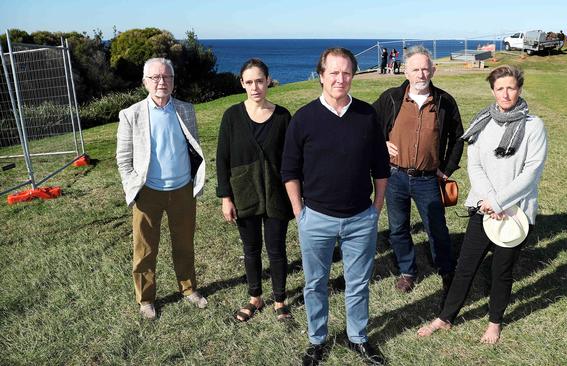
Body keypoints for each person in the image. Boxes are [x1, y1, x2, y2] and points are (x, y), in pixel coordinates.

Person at [417, 65, 548, 344]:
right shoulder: (482, 122)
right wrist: (489, 200)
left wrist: (500, 201)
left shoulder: (533, 126)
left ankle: (494, 322)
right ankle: (445, 317)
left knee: (501, 270)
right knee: (465, 266)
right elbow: (474, 165)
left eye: (511, 87)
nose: (505, 93)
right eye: (500, 88)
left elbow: (531, 172)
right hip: (483, 207)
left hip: (516, 212)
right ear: (492, 91)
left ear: (519, 89)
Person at [282, 47, 390, 366]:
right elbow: (289, 170)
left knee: (358, 283)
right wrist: (299, 212)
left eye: (346, 73)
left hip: (360, 219)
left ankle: (357, 336)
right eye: (334, 72)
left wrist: (376, 208)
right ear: (321, 76)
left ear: (353, 76)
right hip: (315, 219)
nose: (340, 79)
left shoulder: (368, 115)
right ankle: (317, 339)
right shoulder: (303, 118)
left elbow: (381, 168)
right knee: (315, 284)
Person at [116, 57, 207, 320]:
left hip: (182, 190)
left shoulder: (186, 110)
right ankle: (146, 299)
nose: (161, 82)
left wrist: (194, 180)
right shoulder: (131, 114)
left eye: (166, 77)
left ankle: (189, 288)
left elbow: (194, 148)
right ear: (145, 82)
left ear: (173, 81)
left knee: (184, 244)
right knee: (144, 249)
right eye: (155, 77)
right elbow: (123, 159)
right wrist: (133, 187)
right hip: (148, 193)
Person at [372, 45, 464, 301]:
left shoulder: (444, 101)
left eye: (425, 68)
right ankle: (407, 271)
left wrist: (446, 169)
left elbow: (458, 138)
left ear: (433, 70)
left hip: (428, 179)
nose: (421, 74)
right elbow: (368, 125)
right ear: (406, 71)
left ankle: (446, 270)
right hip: (395, 176)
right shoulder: (391, 98)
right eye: (415, 69)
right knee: (398, 228)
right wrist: (379, 144)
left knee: (436, 227)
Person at [216, 59, 293, 322]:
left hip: (276, 194)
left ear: (268, 80)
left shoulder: (283, 116)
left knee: (277, 249)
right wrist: (226, 198)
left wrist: (296, 194)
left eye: (259, 80)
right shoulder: (231, 116)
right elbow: (222, 159)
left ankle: (280, 299)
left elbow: (293, 159)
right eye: (249, 82)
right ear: (242, 84)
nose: (255, 87)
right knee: (251, 249)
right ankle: (255, 298)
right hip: (244, 193)